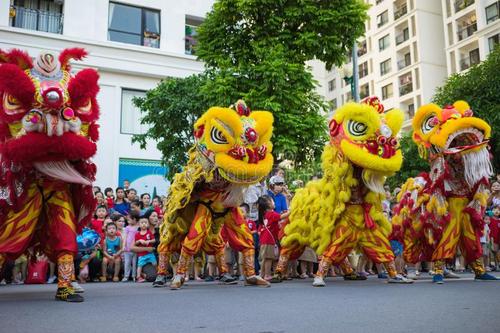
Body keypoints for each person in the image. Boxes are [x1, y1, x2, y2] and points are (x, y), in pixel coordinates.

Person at [257, 196, 281, 281]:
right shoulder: (271, 213)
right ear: (268, 204)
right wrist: (291, 212)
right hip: (269, 241)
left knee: (268, 258)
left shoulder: (264, 215)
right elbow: (282, 216)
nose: (274, 203)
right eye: (272, 201)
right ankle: (267, 275)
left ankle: (263, 274)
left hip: (266, 240)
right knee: (269, 258)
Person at [133, 218, 157, 283]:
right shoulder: (137, 234)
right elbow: (135, 243)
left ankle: (158, 274)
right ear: (139, 224)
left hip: (149, 253)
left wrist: (149, 241)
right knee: (140, 265)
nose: (144, 224)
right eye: (142, 223)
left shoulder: (149, 232)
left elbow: (154, 240)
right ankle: (138, 277)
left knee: (154, 263)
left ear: (148, 224)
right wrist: (139, 241)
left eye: (145, 223)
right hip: (142, 254)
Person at [122, 213, 139, 282]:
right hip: (127, 248)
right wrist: (123, 246)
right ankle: (126, 276)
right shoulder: (127, 227)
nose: (128, 220)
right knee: (127, 263)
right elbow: (125, 237)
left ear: (134, 219)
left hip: (135, 248)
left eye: (129, 219)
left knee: (135, 263)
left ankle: (134, 276)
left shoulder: (138, 227)